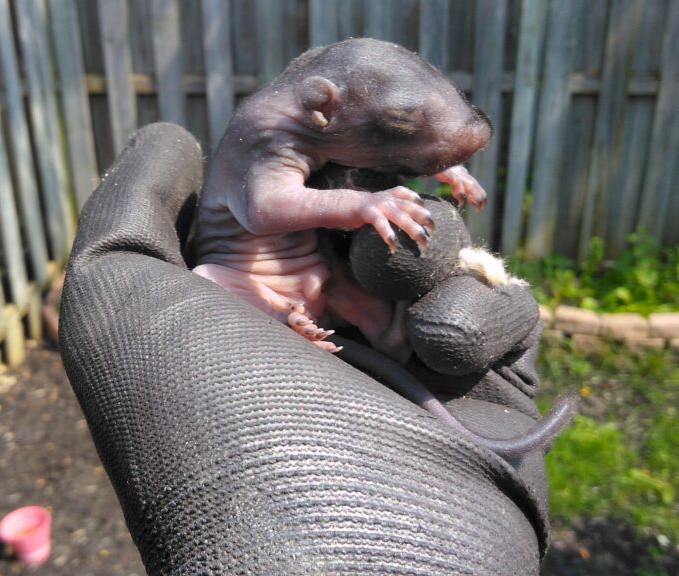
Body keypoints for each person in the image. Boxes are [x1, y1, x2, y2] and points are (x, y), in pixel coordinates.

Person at [59, 123, 555, 575]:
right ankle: (315, 326)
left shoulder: (336, 139)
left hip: (319, 284)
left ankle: (406, 346)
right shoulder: (269, 144)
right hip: (250, 290)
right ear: (323, 106)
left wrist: (439, 163)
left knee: (394, 301)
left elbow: (382, 148)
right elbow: (272, 205)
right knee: (206, 278)